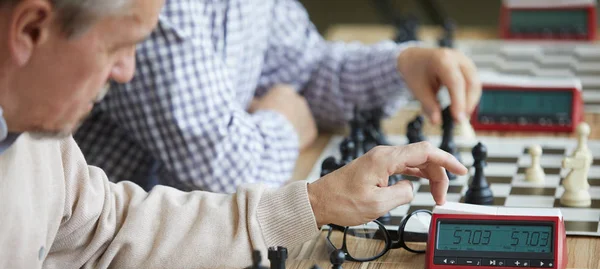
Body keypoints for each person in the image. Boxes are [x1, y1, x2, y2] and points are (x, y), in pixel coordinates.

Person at [0, 0, 466, 269]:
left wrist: (313, 204)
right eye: (117, 48)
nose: (127, 72)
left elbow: (104, 227)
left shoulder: (35, 135)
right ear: (31, 29)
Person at [74, 0, 481, 193]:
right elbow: (225, 174)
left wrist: (403, 64)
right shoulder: (165, 7)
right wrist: (285, 122)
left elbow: (307, 68)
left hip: (170, 240)